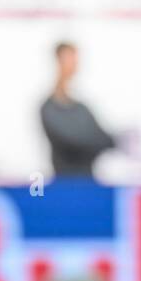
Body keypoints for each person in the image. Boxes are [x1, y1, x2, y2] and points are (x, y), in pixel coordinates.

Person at [39, 42, 116, 179]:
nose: (75, 64)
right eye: (70, 59)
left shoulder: (81, 108)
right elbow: (72, 143)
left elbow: (104, 138)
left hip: (88, 180)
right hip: (65, 182)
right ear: (59, 61)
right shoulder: (49, 108)